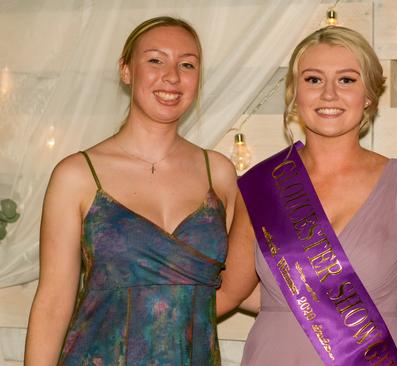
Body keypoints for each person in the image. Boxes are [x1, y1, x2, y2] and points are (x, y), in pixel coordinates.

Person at [217, 26, 397, 365]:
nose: (329, 94)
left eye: (347, 80)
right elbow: (229, 292)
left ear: (368, 95)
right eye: (313, 80)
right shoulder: (261, 185)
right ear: (295, 93)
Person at [24, 16, 237, 365]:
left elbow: (245, 278)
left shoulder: (220, 173)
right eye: (155, 60)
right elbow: (52, 304)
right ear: (125, 71)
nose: (172, 76)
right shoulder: (77, 175)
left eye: (187, 64)